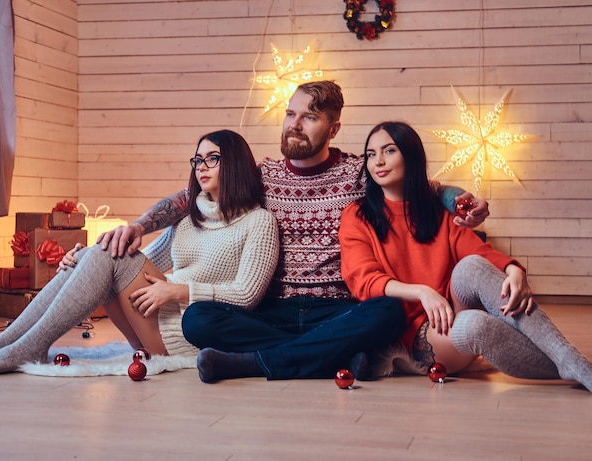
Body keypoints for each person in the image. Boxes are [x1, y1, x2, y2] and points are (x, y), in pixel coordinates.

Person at [96, 81, 491, 383]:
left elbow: (428, 187)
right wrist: (140, 225)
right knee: (198, 318)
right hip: (271, 309)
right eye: (290, 114)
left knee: (386, 312)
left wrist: (462, 201)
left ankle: (258, 363)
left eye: (310, 117)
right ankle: (328, 358)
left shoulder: (358, 171)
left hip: (338, 309)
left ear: (333, 128)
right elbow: (189, 196)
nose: (295, 125)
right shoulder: (261, 175)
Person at [0, 130, 279, 375]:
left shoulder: (259, 223)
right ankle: (8, 342)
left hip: (187, 334)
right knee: (107, 249)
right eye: (198, 159)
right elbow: (138, 262)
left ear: (235, 163)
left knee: (108, 251)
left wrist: (179, 291)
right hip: (152, 322)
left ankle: (29, 345)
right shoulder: (189, 218)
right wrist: (82, 259)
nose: (201, 167)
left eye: (213, 158)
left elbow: (246, 295)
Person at [338, 120, 592, 392]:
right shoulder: (357, 215)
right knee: (476, 324)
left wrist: (514, 271)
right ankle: (574, 367)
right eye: (371, 154)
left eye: (389, 151)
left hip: (451, 311)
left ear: (410, 156)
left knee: (471, 265)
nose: (378, 161)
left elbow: (478, 252)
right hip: (414, 333)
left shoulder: (438, 210)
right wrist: (422, 292)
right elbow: (364, 281)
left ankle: (571, 362)